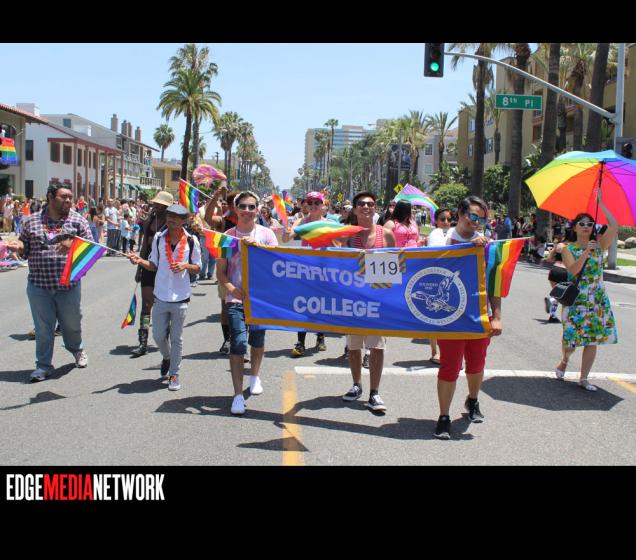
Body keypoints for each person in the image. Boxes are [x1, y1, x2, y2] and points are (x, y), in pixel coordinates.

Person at [6, 185, 93, 382]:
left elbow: (91, 246)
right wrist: (18, 246)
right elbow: (24, 245)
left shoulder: (77, 220)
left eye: (70, 197)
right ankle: (43, 366)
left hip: (68, 286)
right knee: (43, 328)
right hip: (39, 285)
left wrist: (73, 244)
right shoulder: (32, 221)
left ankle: (77, 349)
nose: (68, 200)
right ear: (51, 197)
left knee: (71, 324)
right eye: (64, 196)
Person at [433, 195, 502, 440]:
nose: (476, 222)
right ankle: (443, 416)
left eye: (482, 219)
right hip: (449, 316)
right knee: (449, 366)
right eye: (473, 216)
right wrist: (466, 249)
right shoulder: (440, 239)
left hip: (479, 315)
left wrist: (497, 316)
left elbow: (494, 284)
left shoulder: (489, 246)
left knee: (476, 364)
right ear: (460, 214)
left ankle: (472, 400)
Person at [216, 191, 278, 415]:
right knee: (238, 344)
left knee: (257, 341)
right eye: (243, 206)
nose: (247, 210)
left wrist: (258, 249)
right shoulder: (227, 237)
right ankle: (237, 395)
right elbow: (221, 272)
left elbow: (277, 264)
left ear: (257, 210)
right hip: (235, 299)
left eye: (252, 207)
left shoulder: (267, 234)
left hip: (260, 300)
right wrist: (232, 289)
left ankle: (255, 376)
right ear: (235, 209)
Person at [127, 204, 201, 391]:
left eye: (175, 217)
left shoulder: (191, 240)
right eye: (169, 216)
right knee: (158, 335)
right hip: (160, 295)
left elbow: (198, 267)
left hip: (181, 296)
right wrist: (139, 261)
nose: (170, 220)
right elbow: (153, 264)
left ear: (184, 221)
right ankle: (167, 357)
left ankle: (174, 373)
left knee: (176, 338)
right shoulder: (159, 238)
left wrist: (185, 266)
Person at [339, 191, 396, 412]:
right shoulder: (347, 236)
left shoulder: (386, 234)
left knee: (376, 347)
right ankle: (356, 385)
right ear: (354, 209)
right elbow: (337, 265)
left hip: (377, 301)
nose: (366, 207)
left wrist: (388, 300)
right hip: (353, 300)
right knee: (353, 347)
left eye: (370, 204)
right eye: (361, 204)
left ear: (375, 208)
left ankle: (374, 392)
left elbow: (393, 269)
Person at [555, 193, 618, 391]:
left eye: (589, 224)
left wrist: (602, 203)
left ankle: (583, 378)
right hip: (577, 299)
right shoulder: (568, 249)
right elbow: (573, 271)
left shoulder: (600, 246)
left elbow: (614, 226)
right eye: (581, 223)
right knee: (571, 341)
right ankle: (564, 360)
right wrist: (585, 252)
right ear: (574, 227)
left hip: (597, 299)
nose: (586, 226)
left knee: (592, 340)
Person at [282, 191, 328, 357]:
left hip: (323, 270)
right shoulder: (301, 221)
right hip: (305, 270)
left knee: (320, 305)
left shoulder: (329, 223)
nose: (313, 205)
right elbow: (286, 239)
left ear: (323, 205)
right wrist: (287, 230)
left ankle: (321, 336)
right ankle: (301, 342)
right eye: (310, 202)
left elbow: (339, 245)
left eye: (317, 202)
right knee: (302, 305)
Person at [131, 190, 174, 357]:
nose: (156, 206)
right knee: (146, 304)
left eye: (160, 204)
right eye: (156, 203)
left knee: (165, 304)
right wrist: (139, 268)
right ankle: (143, 342)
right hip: (148, 265)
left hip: (166, 267)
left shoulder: (173, 222)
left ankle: (165, 338)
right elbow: (144, 245)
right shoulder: (149, 219)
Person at [424, 207, 453, 364]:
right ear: (436, 221)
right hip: (435, 276)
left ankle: (450, 354)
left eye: (449, 219)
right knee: (434, 317)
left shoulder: (454, 232)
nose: (446, 222)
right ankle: (435, 352)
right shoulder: (434, 234)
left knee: (449, 317)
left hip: (450, 278)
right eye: (442, 219)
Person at [544, 231, 569, 323]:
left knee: (557, 293)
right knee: (562, 295)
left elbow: (548, 259)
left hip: (554, 270)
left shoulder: (559, 245)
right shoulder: (573, 247)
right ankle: (552, 300)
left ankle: (552, 316)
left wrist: (556, 258)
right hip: (564, 271)